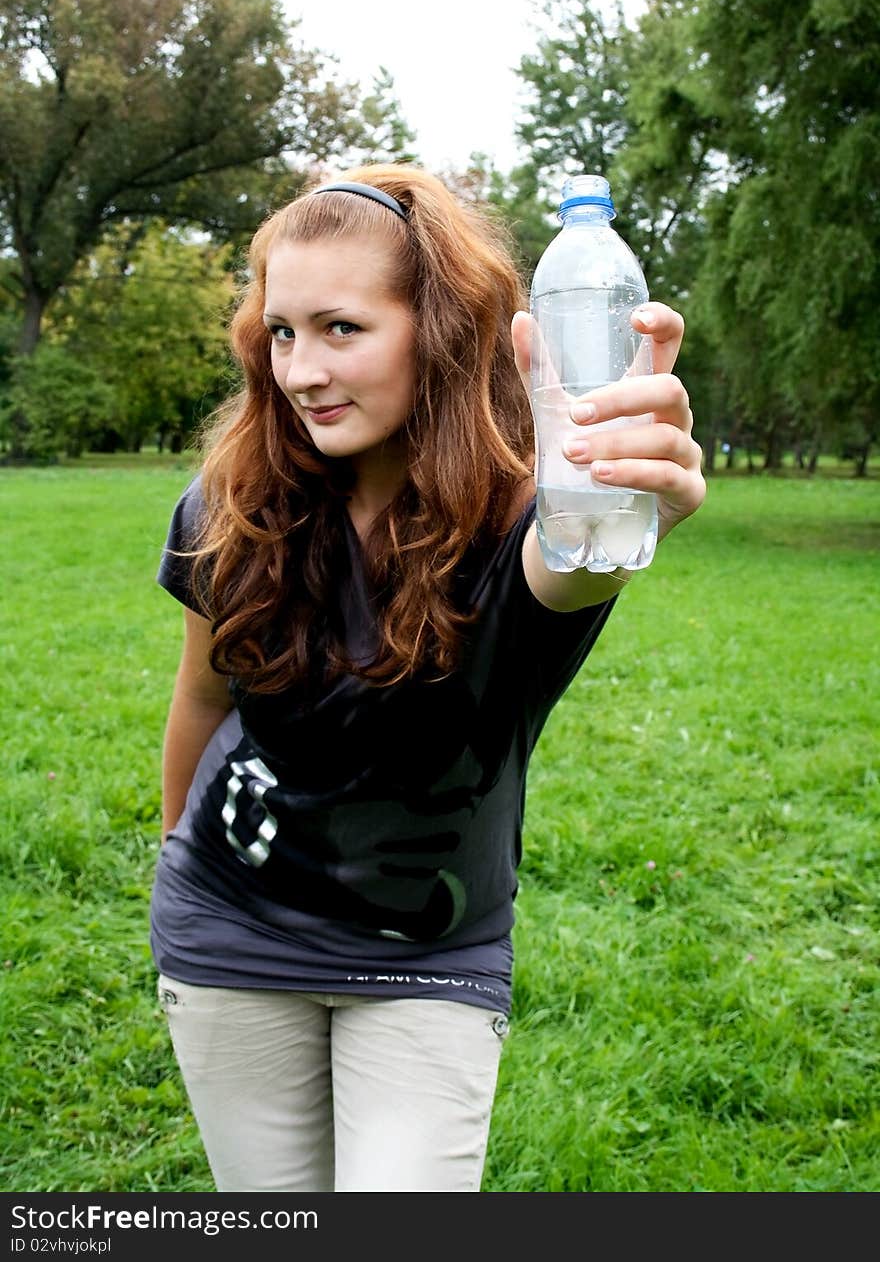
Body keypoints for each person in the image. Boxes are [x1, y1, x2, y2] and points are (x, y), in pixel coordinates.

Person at [151, 163, 706, 1193]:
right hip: (227, 933)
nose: (302, 369)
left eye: (341, 329)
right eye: (281, 332)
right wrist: (177, 850)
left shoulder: (522, 518)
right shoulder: (231, 504)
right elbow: (201, 696)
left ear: (439, 331)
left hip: (426, 958)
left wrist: (626, 491)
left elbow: (573, 559)